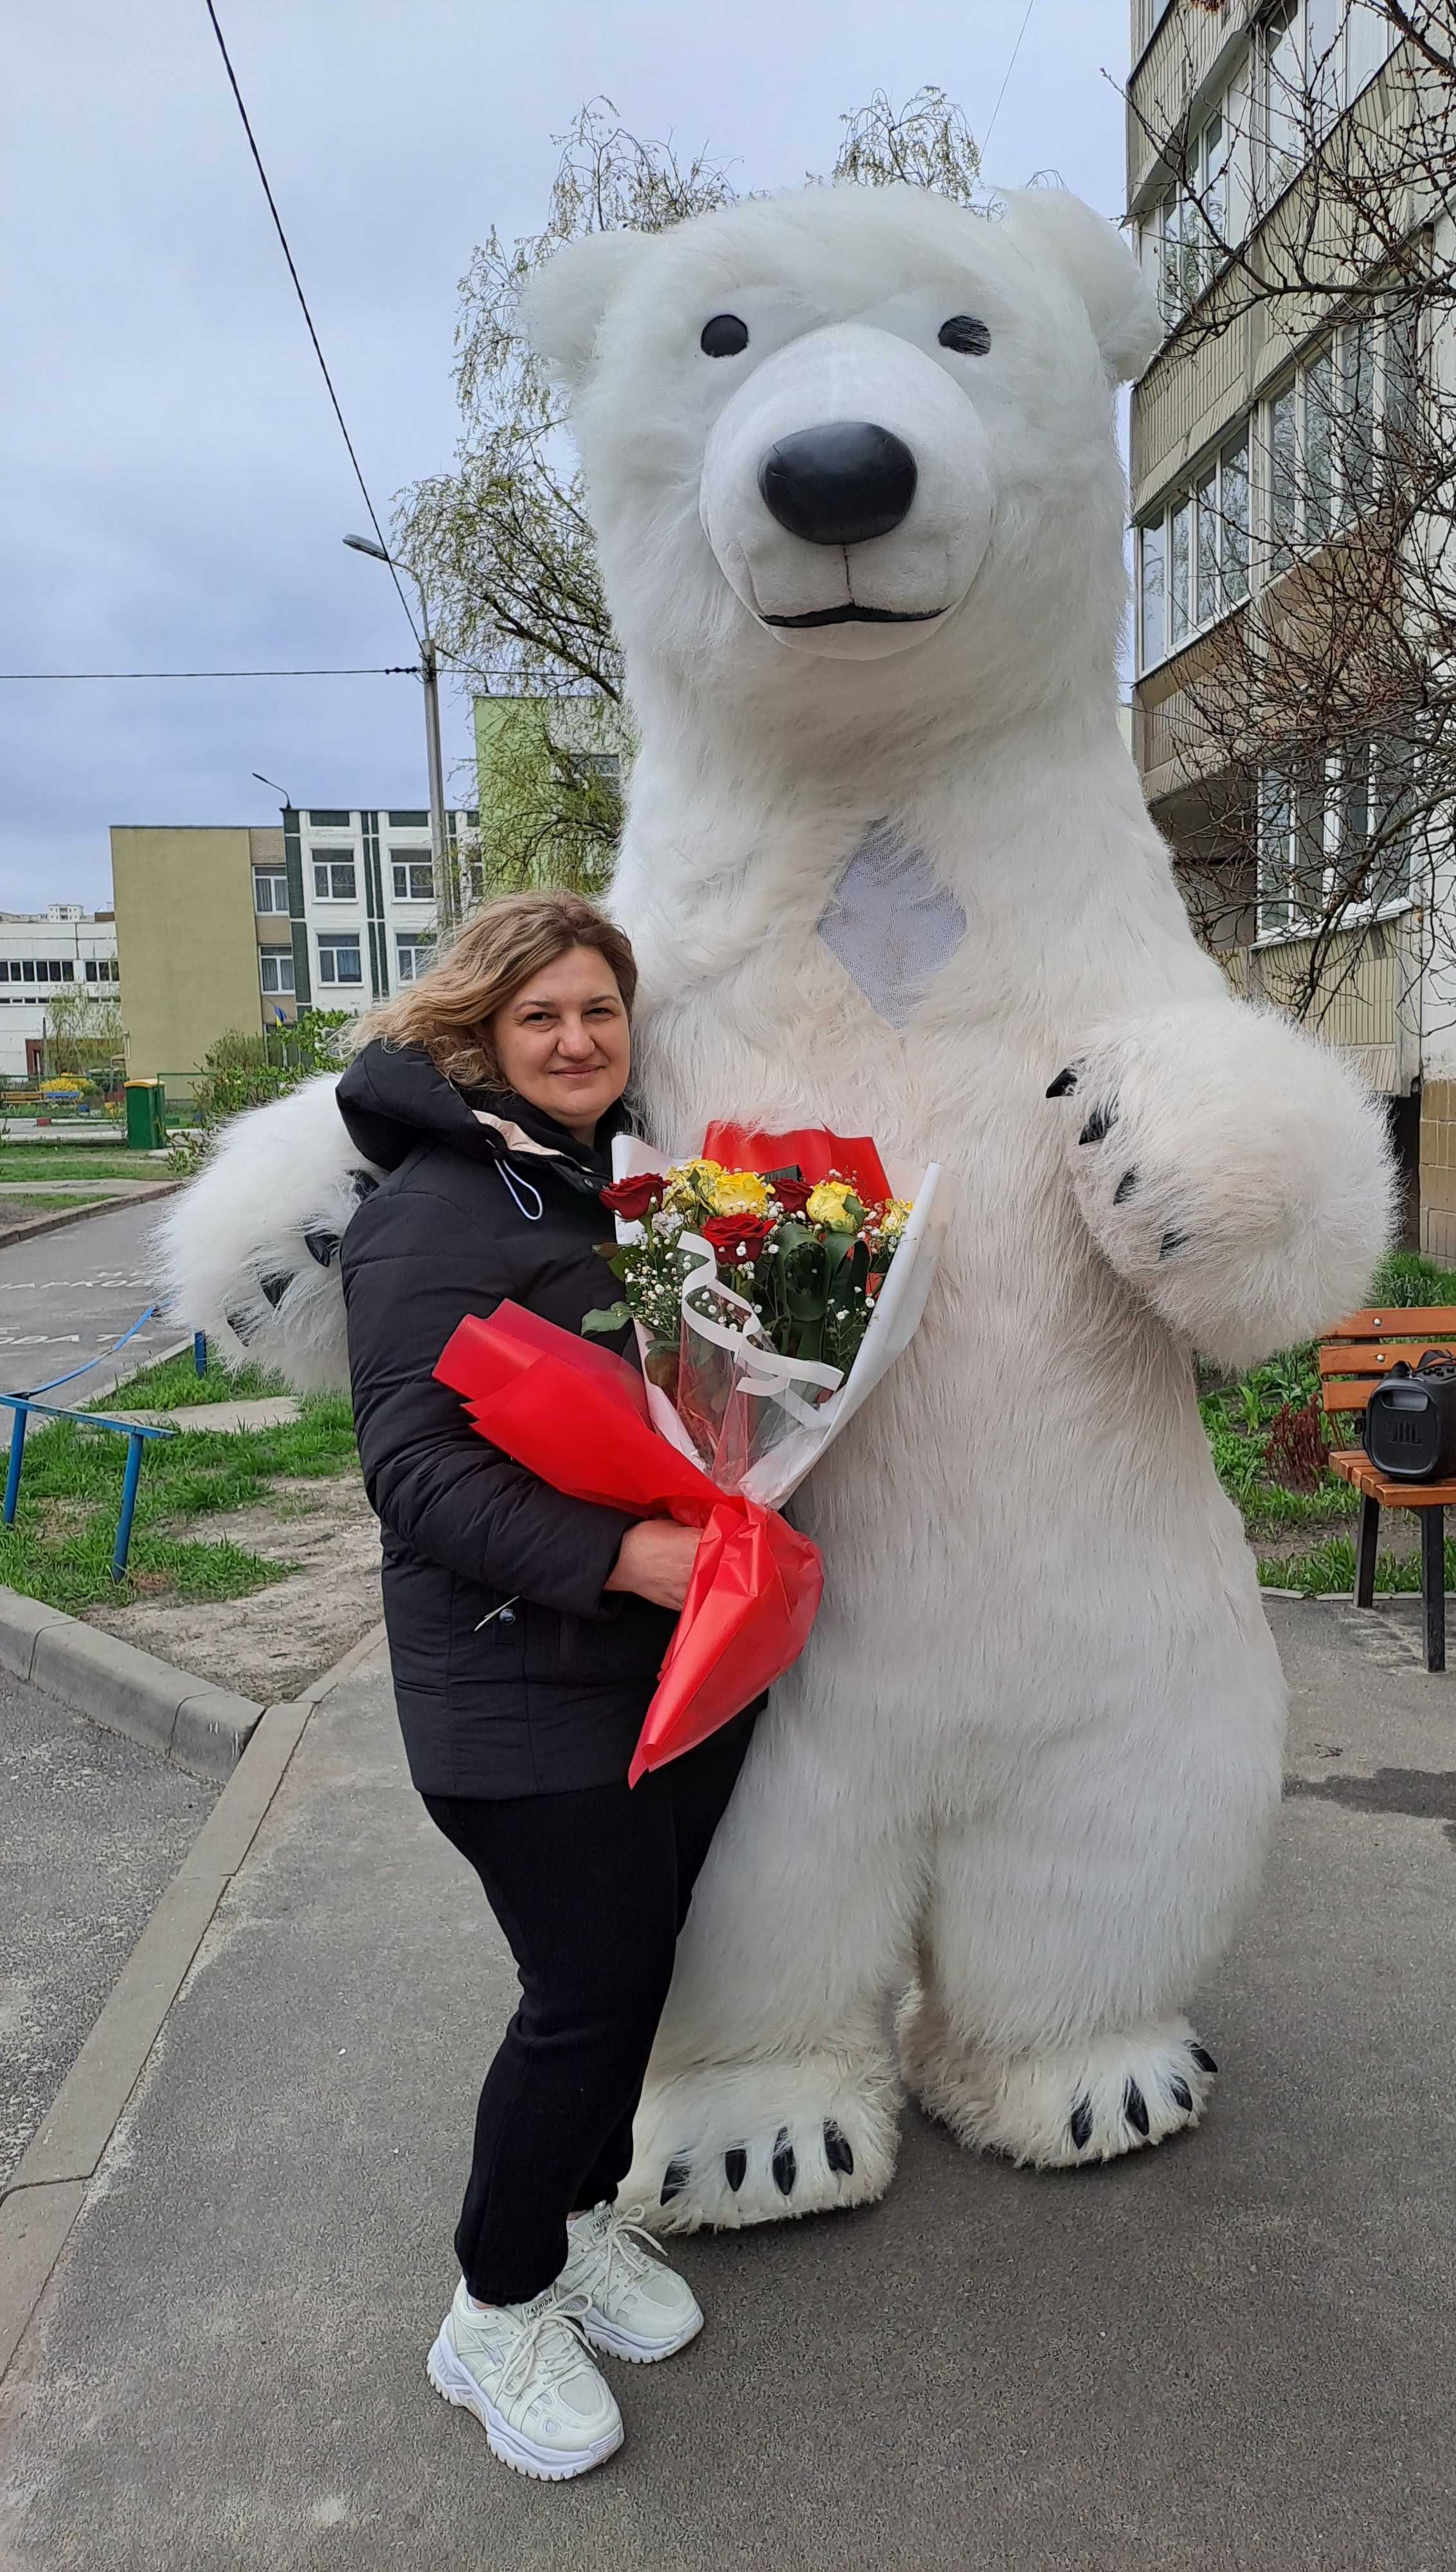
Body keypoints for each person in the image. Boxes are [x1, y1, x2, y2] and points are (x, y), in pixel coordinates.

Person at [336, 890, 755, 2483]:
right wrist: (620, 1557)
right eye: (542, 1016)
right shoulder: (435, 1206)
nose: (579, 1038)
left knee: (634, 1974)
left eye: (599, 1009)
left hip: (659, 1665)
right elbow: (415, 1473)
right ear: (480, 1034)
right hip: (522, 1681)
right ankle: (493, 2302)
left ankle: (579, 2222)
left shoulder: (600, 1180)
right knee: (581, 1996)